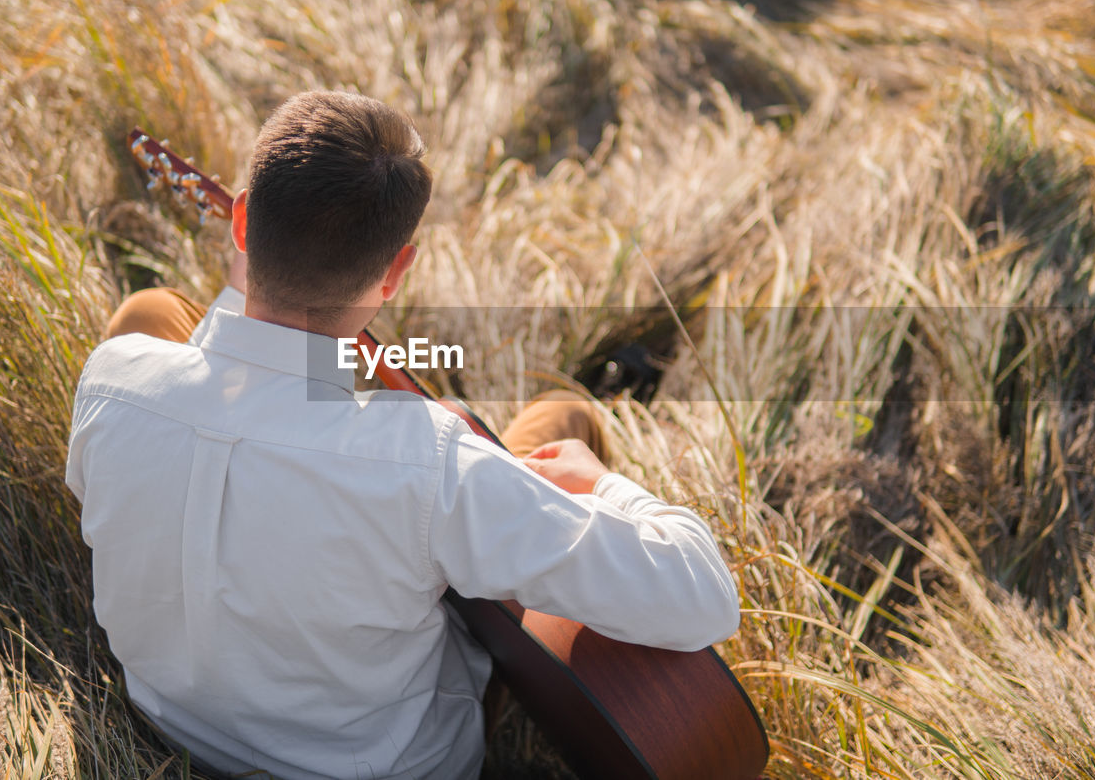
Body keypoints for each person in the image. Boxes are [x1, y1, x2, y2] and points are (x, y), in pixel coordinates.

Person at [65, 91, 740, 780]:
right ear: (394, 272)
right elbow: (704, 597)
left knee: (150, 311)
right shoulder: (430, 464)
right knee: (563, 416)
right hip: (387, 762)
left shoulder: (111, 377)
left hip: (170, 726)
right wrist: (597, 482)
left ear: (241, 222)